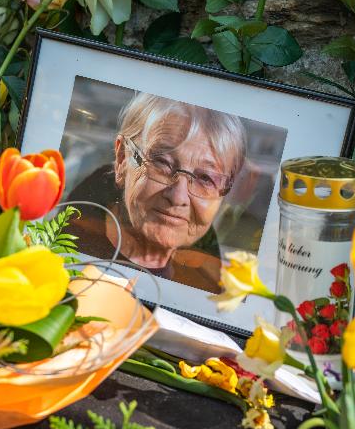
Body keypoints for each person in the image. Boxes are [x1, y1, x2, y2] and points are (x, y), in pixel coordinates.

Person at [67, 93, 247, 293]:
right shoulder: (62, 250)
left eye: (206, 178)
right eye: (162, 163)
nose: (178, 197)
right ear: (122, 159)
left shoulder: (210, 287)